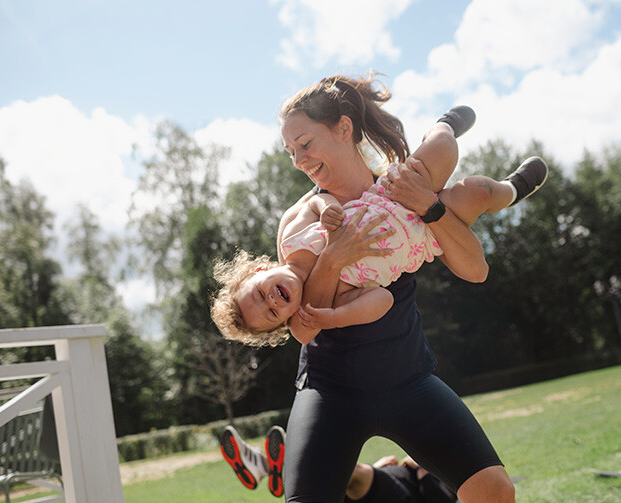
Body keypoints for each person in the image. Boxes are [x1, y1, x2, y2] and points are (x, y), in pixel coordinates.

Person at [249, 73, 531, 503]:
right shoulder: (301, 219)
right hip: (330, 390)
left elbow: (476, 269)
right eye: (291, 152)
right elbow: (307, 322)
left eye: (305, 144)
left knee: (497, 494)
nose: (299, 161)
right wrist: (335, 257)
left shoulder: (403, 186)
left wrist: (429, 207)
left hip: (407, 381)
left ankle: (503, 175)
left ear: (343, 129)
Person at [210, 104, 547, 347]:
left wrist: (328, 209)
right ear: (283, 321)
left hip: (389, 198)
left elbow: (314, 202)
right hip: (422, 237)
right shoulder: (327, 302)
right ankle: (513, 190)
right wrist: (334, 318)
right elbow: (382, 300)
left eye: (259, 293)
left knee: (444, 145)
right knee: (478, 191)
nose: (272, 299)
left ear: (258, 269)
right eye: (272, 312)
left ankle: (444, 124)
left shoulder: (292, 240)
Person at [220, 425, 459, 503]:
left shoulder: (448, 476)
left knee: (347, 468)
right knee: (330, 474)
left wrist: (422, 468)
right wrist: (382, 468)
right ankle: (263, 466)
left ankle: (263, 465)